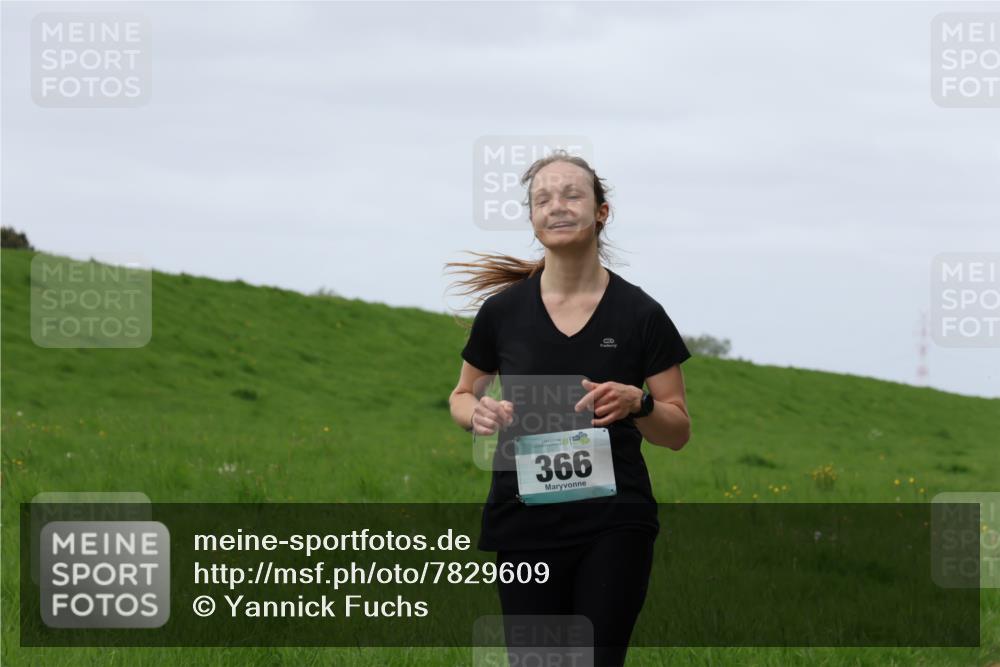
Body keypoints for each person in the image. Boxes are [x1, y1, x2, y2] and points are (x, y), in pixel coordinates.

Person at [446, 150, 692, 667]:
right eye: (542, 199)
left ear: (602, 212)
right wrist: (478, 414)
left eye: (572, 194)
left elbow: (676, 429)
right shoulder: (503, 313)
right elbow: (462, 395)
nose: (557, 206)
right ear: (533, 218)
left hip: (613, 521)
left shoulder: (641, 314)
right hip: (524, 520)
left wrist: (638, 403)